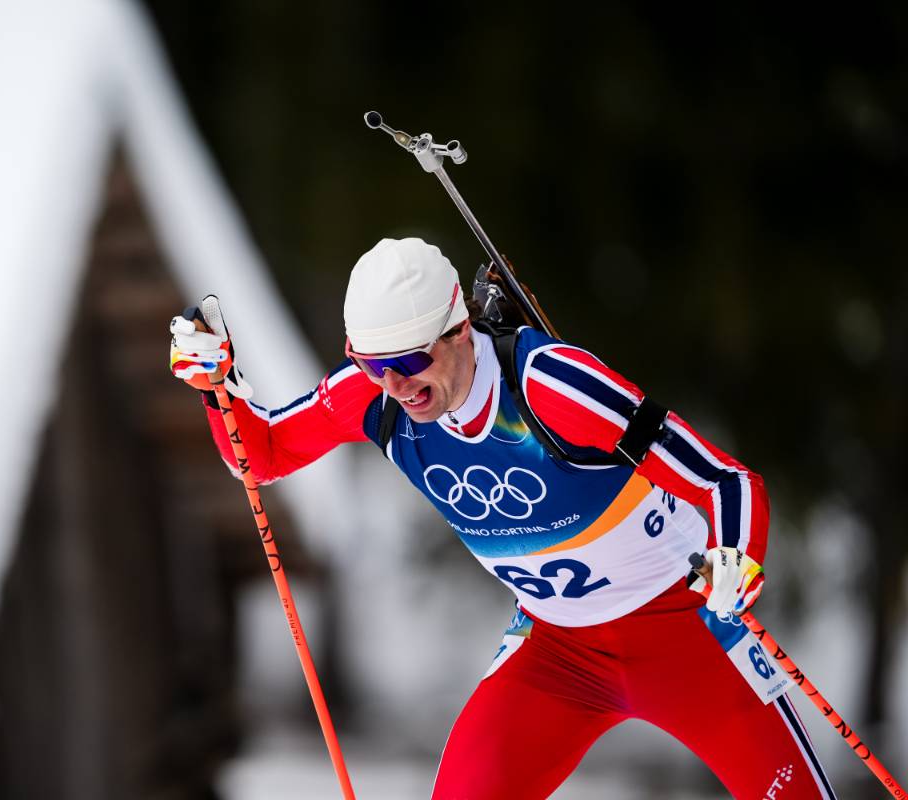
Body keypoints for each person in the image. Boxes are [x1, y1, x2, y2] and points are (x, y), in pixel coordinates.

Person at [168, 237, 835, 798]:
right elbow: (263, 454)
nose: (395, 385)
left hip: (683, 632)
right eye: (371, 364)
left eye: (409, 361)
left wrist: (735, 557)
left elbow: (724, 480)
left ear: (459, 329)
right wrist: (216, 386)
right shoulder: (377, 400)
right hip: (558, 652)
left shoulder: (552, 387)